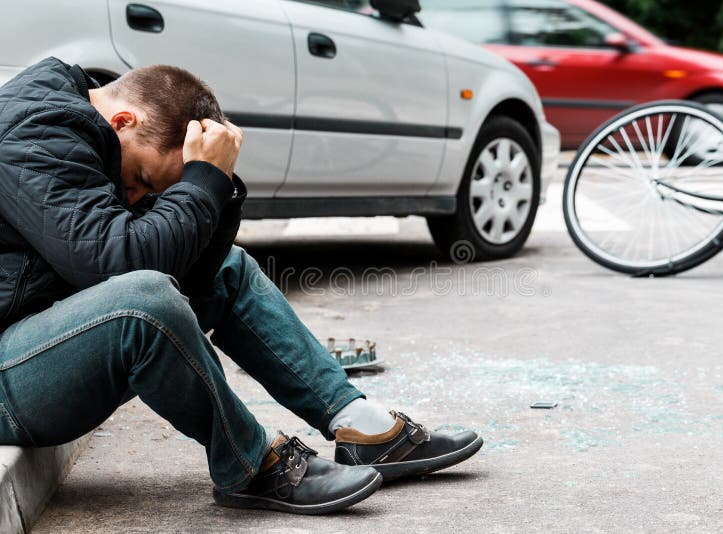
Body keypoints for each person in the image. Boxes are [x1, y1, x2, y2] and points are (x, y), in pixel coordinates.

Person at [0, 57, 482, 515]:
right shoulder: (35, 135)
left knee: (227, 270)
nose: (137, 198)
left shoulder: (90, 129)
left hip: (32, 343)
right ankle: (249, 464)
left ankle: (357, 424)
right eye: (143, 179)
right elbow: (120, 267)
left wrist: (218, 184)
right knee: (141, 302)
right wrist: (203, 181)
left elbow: (189, 272)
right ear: (123, 120)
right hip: (8, 378)